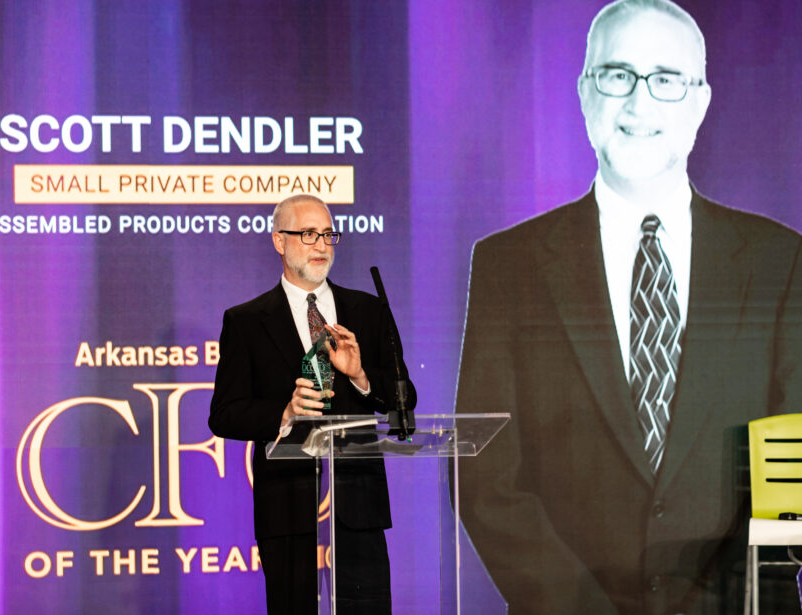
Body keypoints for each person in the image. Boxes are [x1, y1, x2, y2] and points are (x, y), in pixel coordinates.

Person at [455, 0, 802, 613]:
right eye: (617, 76)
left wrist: (739, 601)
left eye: (666, 80)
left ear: (700, 102)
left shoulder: (780, 261)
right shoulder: (510, 265)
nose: (639, 104)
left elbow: (792, 453)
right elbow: (485, 476)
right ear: (586, 93)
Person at [209, 194, 416, 615]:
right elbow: (225, 413)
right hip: (287, 500)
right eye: (307, 234)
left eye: (327, 235)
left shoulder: (368, 310)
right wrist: (284, 414)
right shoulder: (246, 321)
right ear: (279, 242)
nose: (321, 245)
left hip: (358, 497)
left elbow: (404, 398)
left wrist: (360, 376)